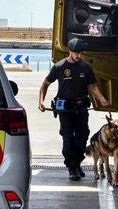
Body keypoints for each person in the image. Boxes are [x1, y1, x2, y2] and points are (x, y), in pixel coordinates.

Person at [39, 38, 108, 181]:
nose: (78, 56)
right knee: (68, 137)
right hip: (65, 109)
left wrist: (101, 99)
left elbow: (93, 86)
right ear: (69, 51)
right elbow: (45, 84)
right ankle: (72, 167)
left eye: (81, 54)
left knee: (82, 137)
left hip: (81, 108)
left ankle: (77, 163)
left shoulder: (85, 67)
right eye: (76, 53)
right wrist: (41, 101)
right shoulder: (59, 67)